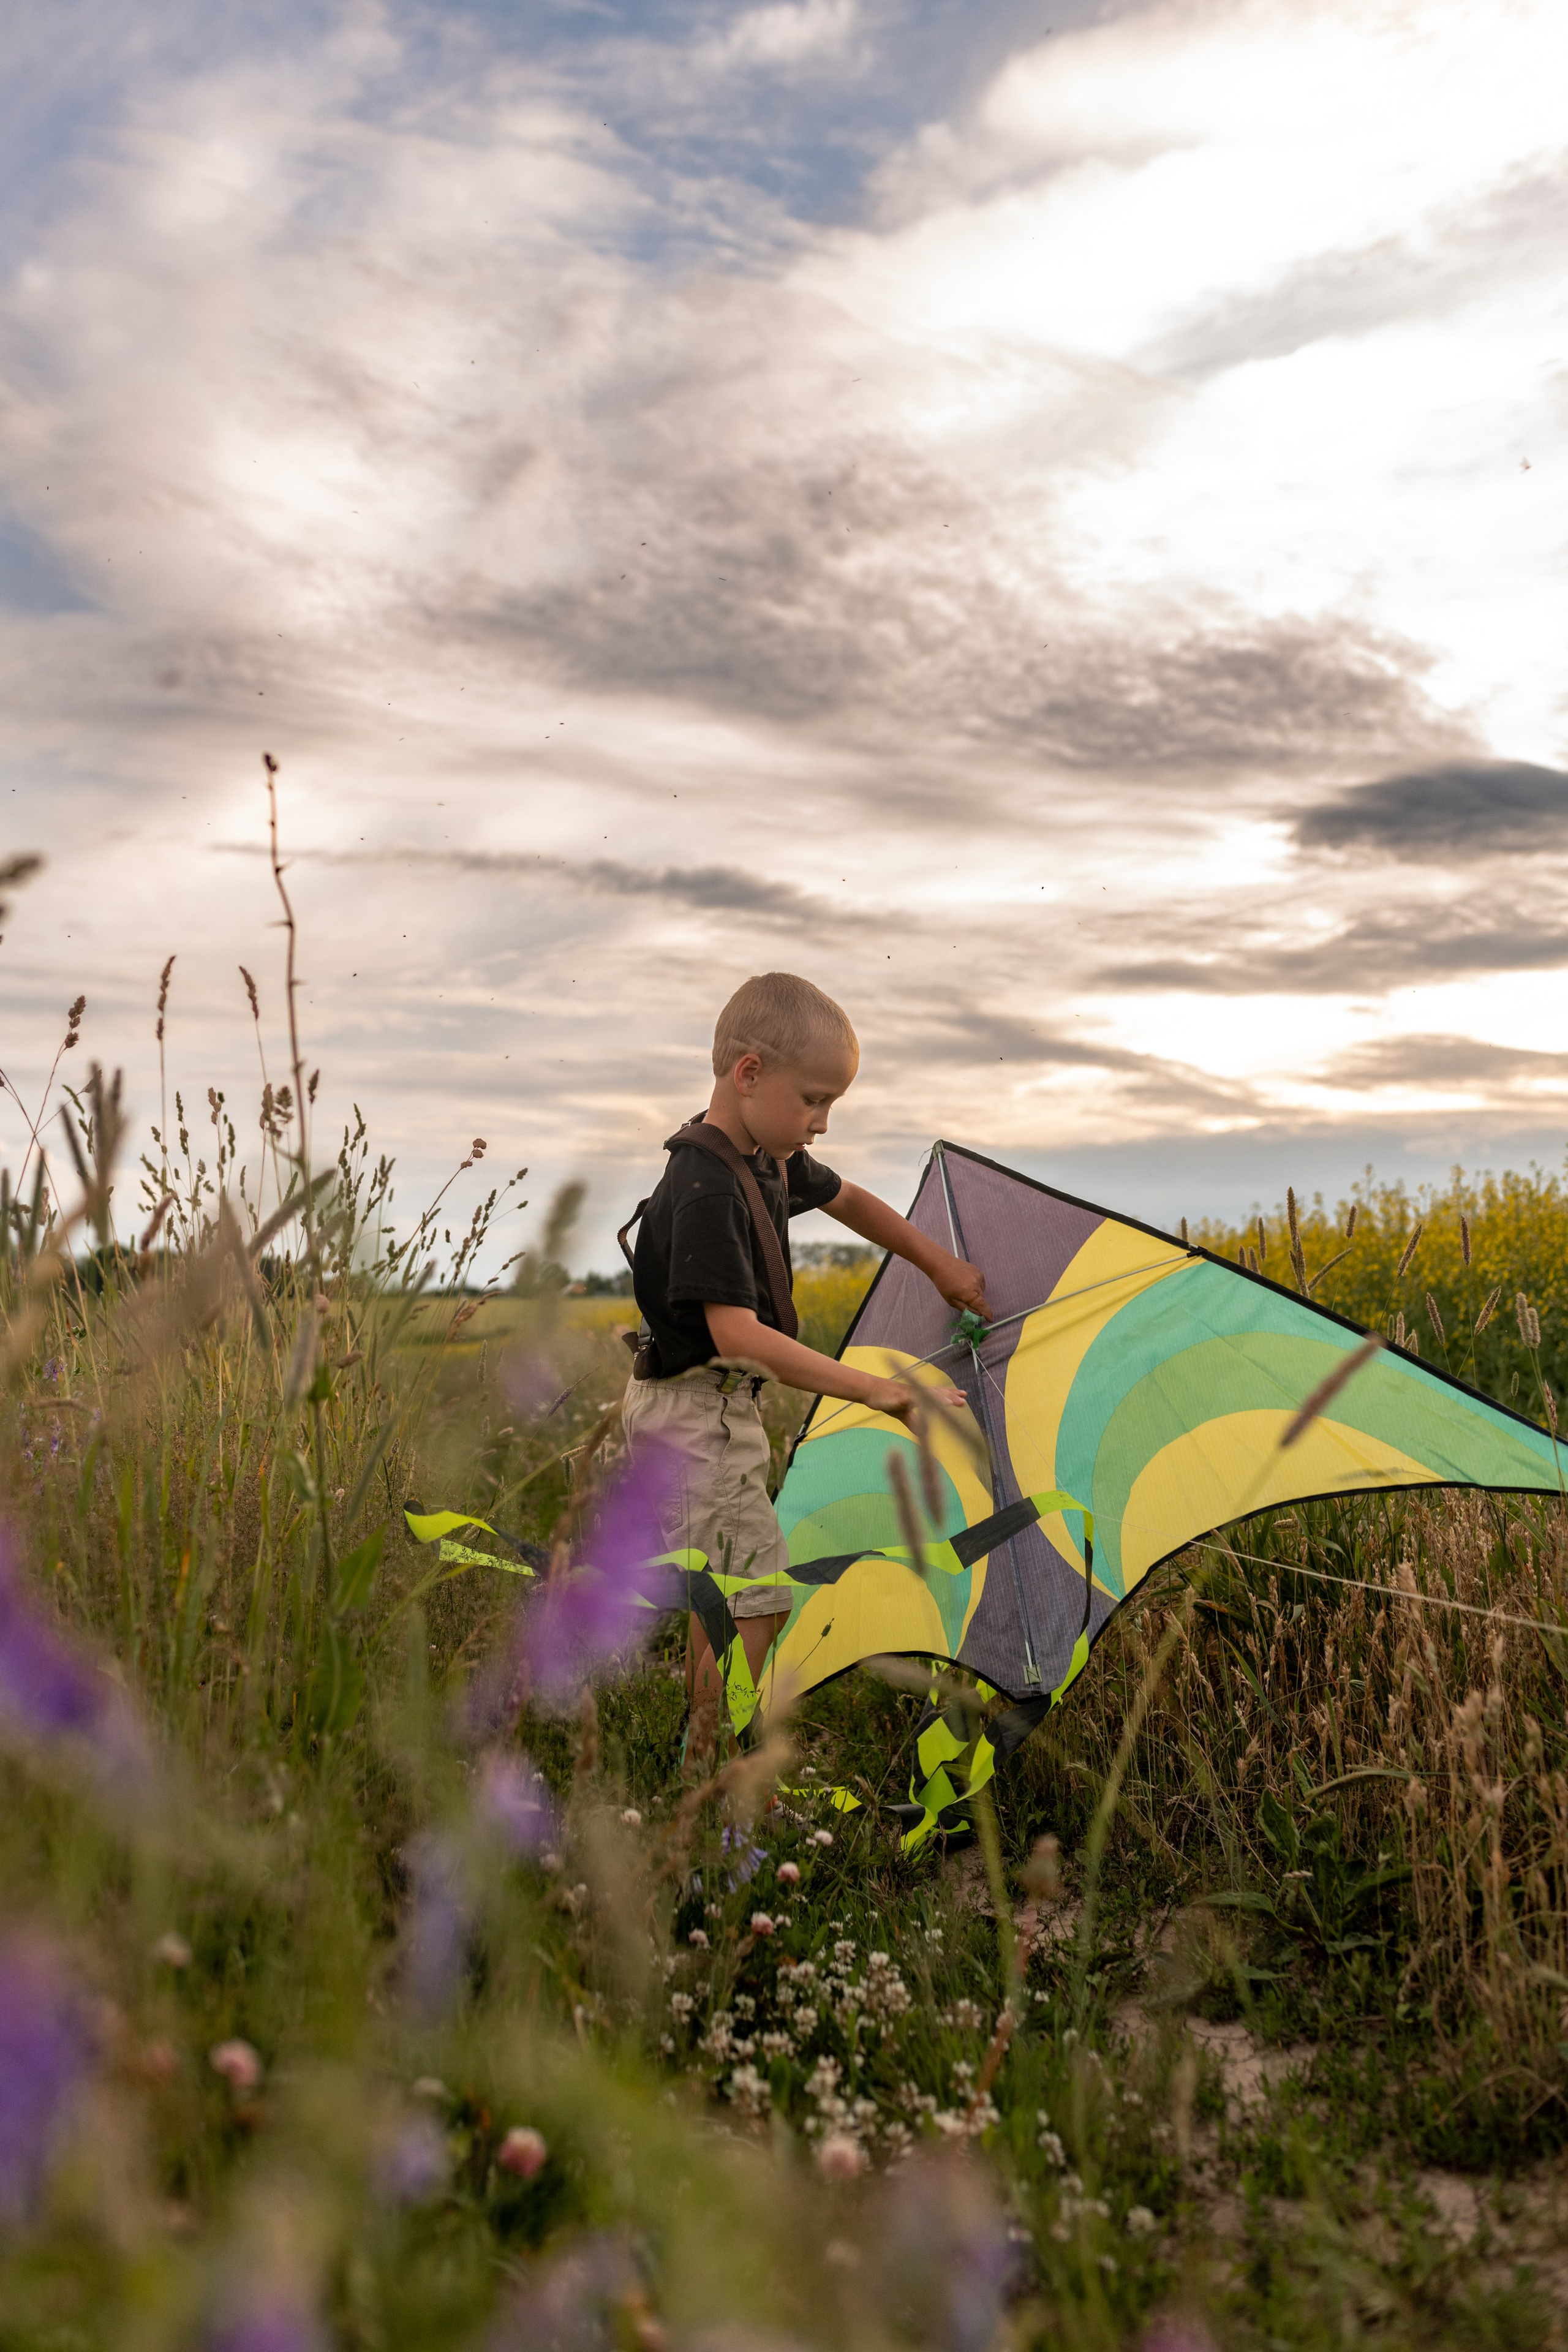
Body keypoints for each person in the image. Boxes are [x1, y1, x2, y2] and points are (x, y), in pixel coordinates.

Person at [620, 971, 990, 1724]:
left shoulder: (764, 1156)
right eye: (814, 1100)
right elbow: (737, 1336)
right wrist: (879, 1390)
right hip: (695, 1416)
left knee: (729, 1591)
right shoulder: (707, 1183)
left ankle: (704, 1752)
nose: (821, 1123)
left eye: (832, 1104)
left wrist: (936, 1263)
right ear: (749, 1073)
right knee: (753, 1602)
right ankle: (712, 1763)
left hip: (711, 1412)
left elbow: (847, 1199)